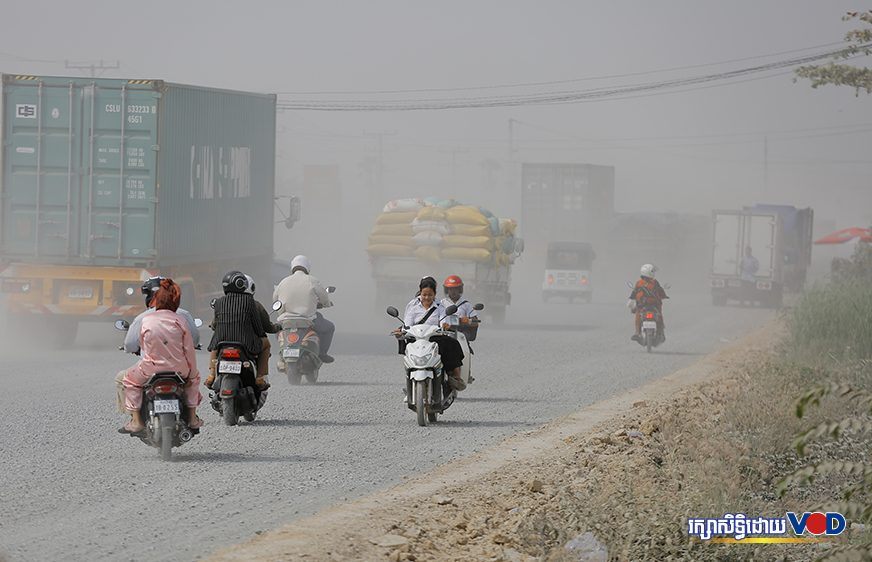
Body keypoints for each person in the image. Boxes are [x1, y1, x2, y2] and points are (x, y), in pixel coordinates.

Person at [118, 278, 201, 434]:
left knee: (129, 379)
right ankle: (192, 418)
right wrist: (192, 373)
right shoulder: (181, 319)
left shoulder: (145, 319)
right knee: (193, 381)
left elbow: (140, 345)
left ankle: (136, 421)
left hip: (150, 369)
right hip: (179, 369)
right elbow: (189, 349)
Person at [396, 276, 466, 391]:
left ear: (435, 294)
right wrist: (401, 331)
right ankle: (409, 382)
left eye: (430, 295)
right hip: (416, 338)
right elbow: (407, 325)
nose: (427, 297)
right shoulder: (413, 307)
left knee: (453, 344)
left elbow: (443, 320)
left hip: (434, 338)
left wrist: (445, 325)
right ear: (420, 292)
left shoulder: (440, 307)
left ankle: (455, 376)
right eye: (424, 295)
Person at [206, 271, 268, 390]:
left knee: (215, 347)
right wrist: (262, 335)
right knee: (266, 344)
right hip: (245, 343)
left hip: (222, 342)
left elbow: (216, 323)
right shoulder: (250, 301)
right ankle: (260, 378)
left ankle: (211, 375)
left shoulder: (218, 302)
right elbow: (257, 326)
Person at [273, 255, 335, 363]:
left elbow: (275, 299)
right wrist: (326, 304)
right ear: (307, 267)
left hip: (286, 320)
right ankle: (322, 354)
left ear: (292, 267)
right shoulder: (312, 280)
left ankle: (283, 352)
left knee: (277, 330)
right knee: (329, 327)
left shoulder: (283, 282)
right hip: (307, 319)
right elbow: (324, 297)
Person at [627, 264, 669, 343]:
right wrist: (665, 296)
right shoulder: (655, 282)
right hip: (654, 305)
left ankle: (637, 333)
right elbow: (661, 291)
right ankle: (660, 331)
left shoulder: (639, 283)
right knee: (659, 315)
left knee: (638, 315)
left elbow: (634, 293)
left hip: (642, 305)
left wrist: (631, 299)